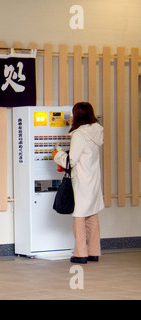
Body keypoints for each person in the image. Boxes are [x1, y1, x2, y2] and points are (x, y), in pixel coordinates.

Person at [52, 102, 104, 264]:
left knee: (79, 216)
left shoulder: (79, 135)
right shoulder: (97, 130)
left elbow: (71, 160)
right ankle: (94, 251)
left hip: (81, 180)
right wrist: (71, 124)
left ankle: (81, 254)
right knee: (92, 214)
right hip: (93, 179)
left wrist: (57, 154)